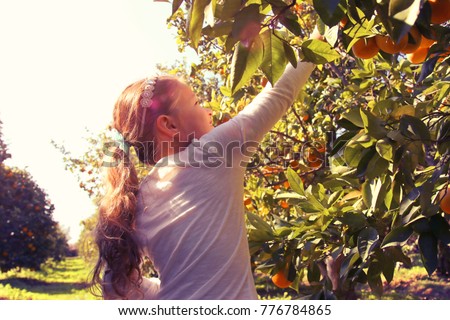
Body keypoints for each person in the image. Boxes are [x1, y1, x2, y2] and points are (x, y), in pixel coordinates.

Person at [92, 30, 321, 300]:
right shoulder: (213, 154)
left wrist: (171, 291)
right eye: (197, 103)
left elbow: (115, 286)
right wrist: (324, 31)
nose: (209, 111)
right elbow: (281, 91)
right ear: (169, 125)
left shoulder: (136, 198)